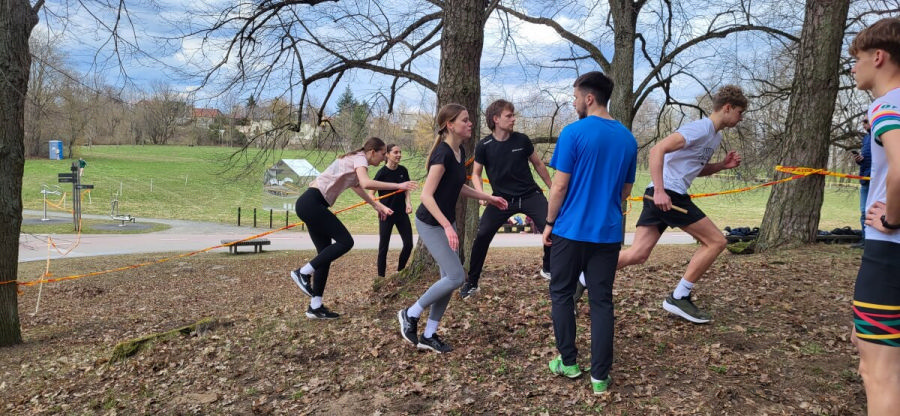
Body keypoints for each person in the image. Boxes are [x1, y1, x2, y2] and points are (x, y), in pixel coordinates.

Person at [616, 85, 747, 324]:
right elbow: (657, 150)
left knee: (637, 254)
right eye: (740, 112)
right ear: (727, 108)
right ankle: (679, 296)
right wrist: (659, 191)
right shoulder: (700, 128)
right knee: (717, 241)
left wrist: (721, 166)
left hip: (663, 194)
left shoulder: (715, 136)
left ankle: (581, 278)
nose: (740, 118)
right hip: (667, 195)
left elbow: (694, 168)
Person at [543, 71, 636, 395]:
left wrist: (550, 223)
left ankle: (568, 362)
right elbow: (625, 190)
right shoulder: (628, 139)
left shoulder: (573, 133)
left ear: (589, 98)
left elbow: (560, 185)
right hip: (608, 233)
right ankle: (599, 378)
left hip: (569, 231)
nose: (574, 102)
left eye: (575, 97)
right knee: (601, 303)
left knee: (562, 296)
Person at [397, 104, 508, 353]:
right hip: (431, 223)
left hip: (446, 222)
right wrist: (447, 226)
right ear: (450, 125)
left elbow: (458, 186)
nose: (470, 124)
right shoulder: (442, 155)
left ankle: (428, 334)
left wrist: (489, 198)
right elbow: (426, 196)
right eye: (465, 120)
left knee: (447, 278)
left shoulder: (459, 151)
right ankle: (410, 313)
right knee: (457, 277)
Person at [291, 137, 417, 319]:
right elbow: (366, 183)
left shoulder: (355, 162)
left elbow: (359, 187)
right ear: (372, 152)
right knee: (346, 241)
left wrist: (377, 206)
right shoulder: (360, 159)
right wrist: (399, 185)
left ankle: (315, 306)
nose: (383, 159)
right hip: (311, 203)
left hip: (312, 205)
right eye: (382, 154)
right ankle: (302, 272)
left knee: (325, 254)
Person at [849, 17, 900, 416]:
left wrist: (893, 219)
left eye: (858, 58)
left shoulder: (887, 105)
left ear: (878, 57)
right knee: (863, 338)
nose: (854, 67)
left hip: (889, 255)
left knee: (877, 370)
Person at [459, 99, 554, 299]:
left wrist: (552, 188)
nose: (513, 119)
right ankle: (472, 282)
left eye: (513, 115)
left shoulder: (522, 140)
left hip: (530, 195)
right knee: (482, 234)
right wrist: (483, 195)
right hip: (501, 200)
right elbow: (476, 174)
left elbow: (538, 165)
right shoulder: (484, 145)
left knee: (552, 227)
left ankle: (549, 267)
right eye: (509, 116)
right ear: (496, 119)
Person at [369, 144, 414, 277]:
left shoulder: (403, 170)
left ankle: (399, 272)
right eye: (395, 152)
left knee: (409, 244)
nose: (399, 155)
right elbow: (371, 194)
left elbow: (406, 189)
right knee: (383, 247)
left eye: (400, 152)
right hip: (386, 215)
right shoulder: (382, 173)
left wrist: (408, 203)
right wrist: (379, 207)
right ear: (387, 155)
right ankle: (381, 277)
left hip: (401, 214)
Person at [851, 117, 873, 249]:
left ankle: (873, 242)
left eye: (866, 121)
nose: (863, 124)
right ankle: (864, 240)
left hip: (877, 180)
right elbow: (866, 160)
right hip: (864, 179)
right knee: (863, 211)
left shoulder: (882, 137)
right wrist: (859, 160)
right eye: (863, 122)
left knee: (874, 212)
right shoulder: (865, 139)